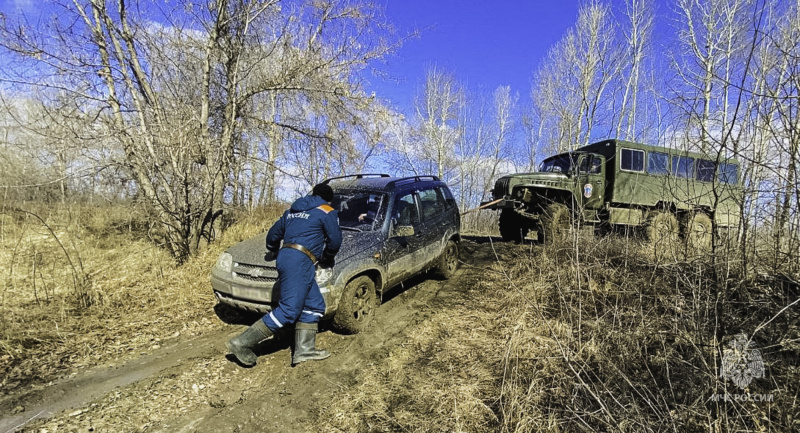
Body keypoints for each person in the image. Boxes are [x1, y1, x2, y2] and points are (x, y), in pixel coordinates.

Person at [226, 183, 342, 367]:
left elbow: (273, 235)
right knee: (289, 310)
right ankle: (241, 343)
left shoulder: (292, 211)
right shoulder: (326, 210)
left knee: (314, 304)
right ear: (328, 199)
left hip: (288, 256)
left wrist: (273, 250)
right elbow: (335, 241)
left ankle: (304, 350)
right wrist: (327, 257)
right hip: (301, 260)